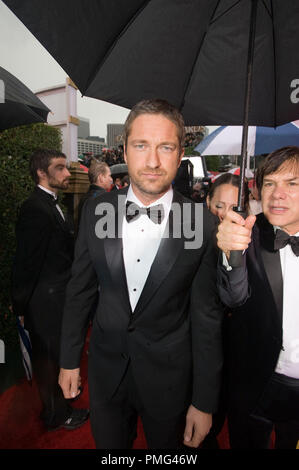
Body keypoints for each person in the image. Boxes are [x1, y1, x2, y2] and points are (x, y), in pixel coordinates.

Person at [59, 99, 224, 449]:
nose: (152, 161)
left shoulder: (200, 222)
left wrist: (204, 401)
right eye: (141, 146)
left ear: (181, 154)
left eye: (165, 147)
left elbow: (206, 318)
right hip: (106, 375)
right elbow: (80, 290)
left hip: (170, 381)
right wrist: (69, 359)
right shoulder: (96, 209)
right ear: (124, 150)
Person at [216, 146, 299, 449]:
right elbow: (233, 298)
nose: (278, 194)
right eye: (270, 183)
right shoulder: (245, 233)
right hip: (256, 382)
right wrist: (230, 255)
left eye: (292, 184)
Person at [11, 149, 89, 431]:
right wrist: (19, 306)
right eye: (60, 168)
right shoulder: (34, 208)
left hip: (58, 298)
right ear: (42, 173)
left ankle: (61, 406)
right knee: (49, 362)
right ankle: (56, 415)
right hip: (44, 302)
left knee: (58, 357)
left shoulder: (56, 204)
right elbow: (26, 262)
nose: (67, 173)